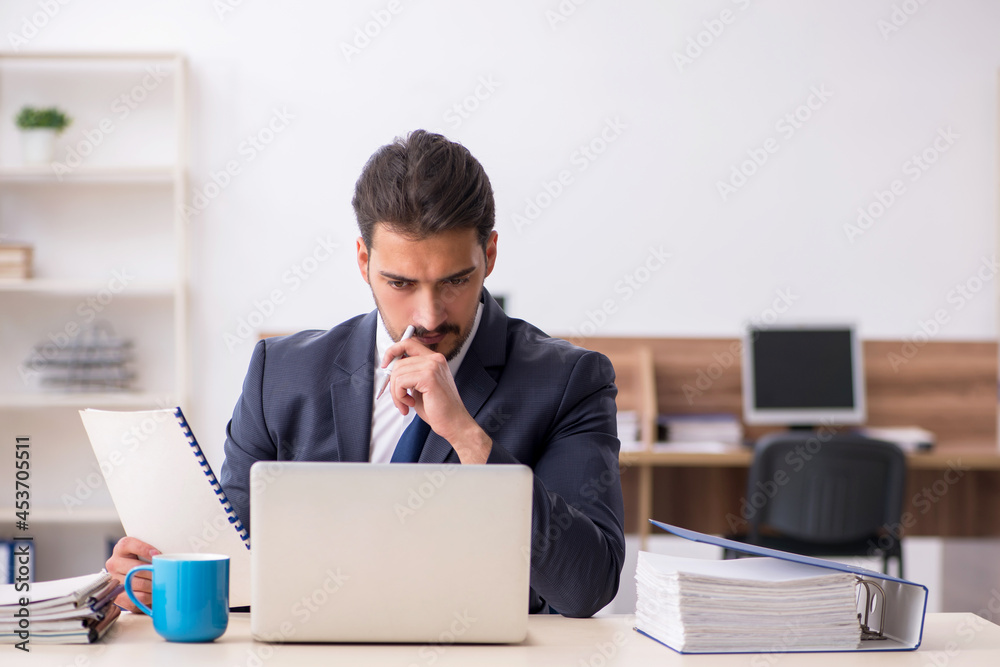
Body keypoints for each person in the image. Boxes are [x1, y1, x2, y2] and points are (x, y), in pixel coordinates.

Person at [107, 130, 625, 618]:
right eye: (400, 283)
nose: (429, 316)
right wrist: (162, 576)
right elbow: (237, 568)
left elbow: (587, 587)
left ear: (489, 255)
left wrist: (468, 438)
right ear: (363, 261)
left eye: (454, 281)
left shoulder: (569, 381)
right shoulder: (279, 375)